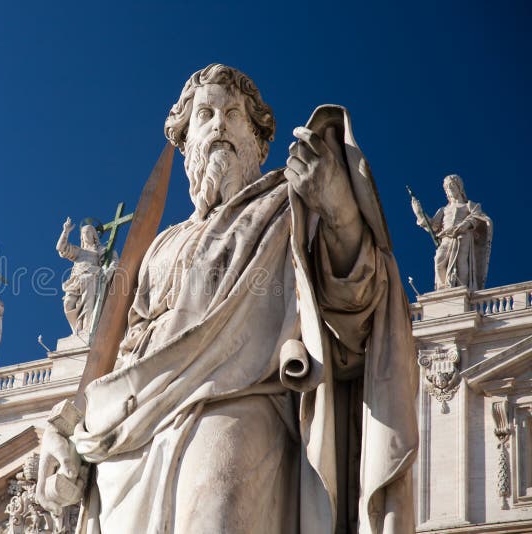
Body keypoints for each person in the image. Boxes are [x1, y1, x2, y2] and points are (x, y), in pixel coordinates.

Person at [37, 64, 418, 533]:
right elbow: (125, 350)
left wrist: (338, 212)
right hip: (131, 439)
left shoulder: (288, 206)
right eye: (205, 114)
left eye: (233, 114)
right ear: (185, 143)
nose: (218, 124)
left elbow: (355, 306)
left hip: (237, 404)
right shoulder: (161, 244)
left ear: (258, 140)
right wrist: (74, 424)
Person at [411, 174, 492, 290]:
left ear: (459, 187)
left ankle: (462, 290)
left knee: (461, 262)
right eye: (447, 187)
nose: (450, 189)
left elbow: (478, 217)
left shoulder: (469, 205)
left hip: (463, 235)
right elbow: (433, 226)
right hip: (446, 237)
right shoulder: (443, 210)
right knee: (439, 260)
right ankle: (443, 288)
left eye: (452, 185)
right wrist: (418, 212)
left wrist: (465, 225)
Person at [57, 218, 114, 336]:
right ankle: (76, 330)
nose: (85, 235)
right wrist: (66, 232)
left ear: (94, 235)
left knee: (88, 306)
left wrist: (107, 272)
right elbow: (61, 248)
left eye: (88, 232)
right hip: (75, 280)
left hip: (92, 278)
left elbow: (114, 262)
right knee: (68, 304)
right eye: (83, 233)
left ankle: (85, 330)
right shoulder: (78, 251)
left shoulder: (101, 250)